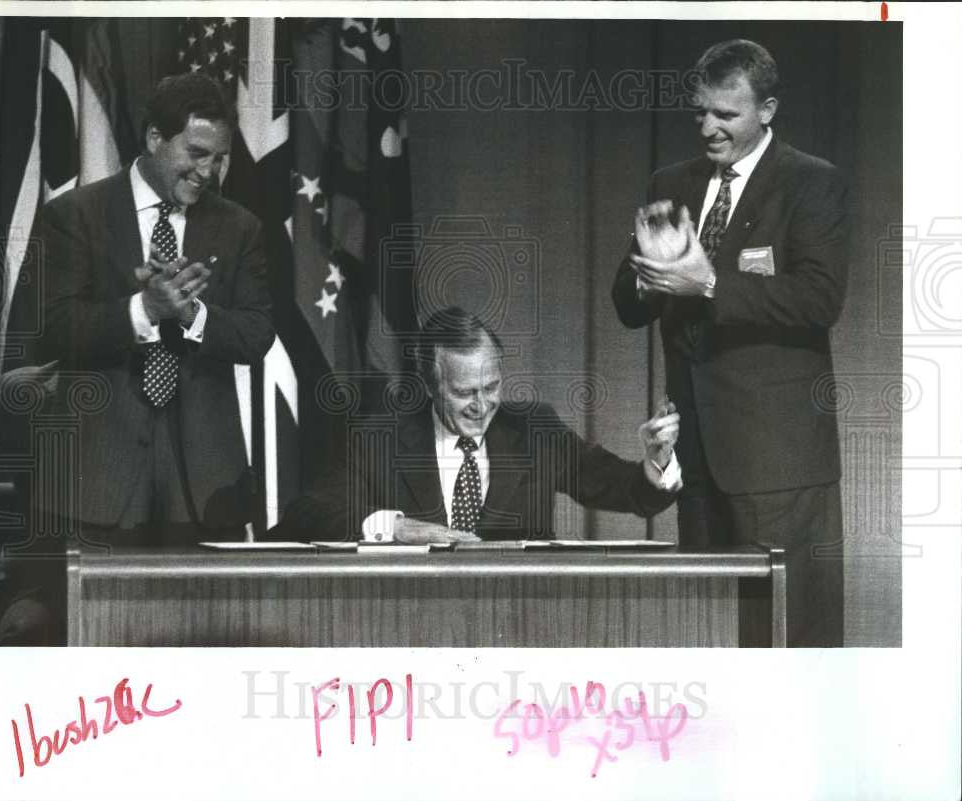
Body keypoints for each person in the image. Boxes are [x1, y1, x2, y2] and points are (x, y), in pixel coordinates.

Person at [0, 73, 274, 643]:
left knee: (202, 651)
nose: (207, 172)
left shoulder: (240, 228)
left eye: (219, 159)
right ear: (153, 138)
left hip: (204, 489)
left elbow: (257, 334)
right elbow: (42, 334)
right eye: (196, 154)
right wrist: (141, 309)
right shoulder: (74, 215)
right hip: (93, 484)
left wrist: (192, 316)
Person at [611, 40, 848, 646]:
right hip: (698, 457)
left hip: (779, 464)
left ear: (766, 109)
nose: (708, 128)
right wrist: (650, 272)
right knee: (712, 636)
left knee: (791, 639)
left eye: (726, 114)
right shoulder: (674, 181)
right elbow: (627, 307)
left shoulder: (810, 183)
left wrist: (709, 282)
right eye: (700, 112)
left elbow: (820, 299)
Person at [279, 307, 682, 543]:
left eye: (491, 387)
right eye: (464, 392)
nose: (481, 406)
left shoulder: (533, 430)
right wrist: (398, 528)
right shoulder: (379, 438)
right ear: (429, 385)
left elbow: (628, 492)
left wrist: (657, 462)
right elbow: (308, 513)